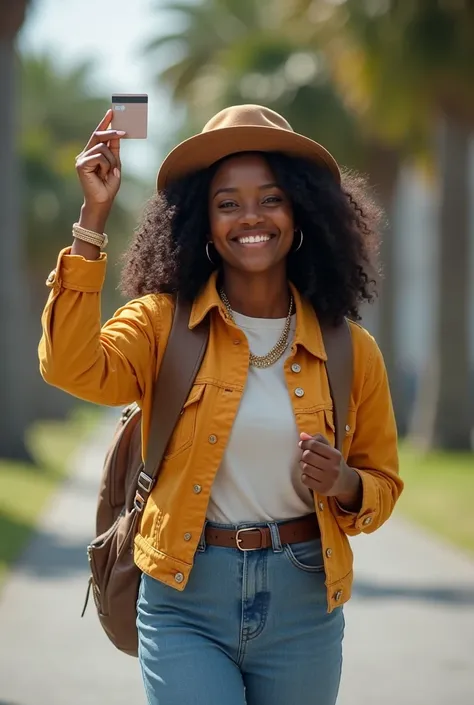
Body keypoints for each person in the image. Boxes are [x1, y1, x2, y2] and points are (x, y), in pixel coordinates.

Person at [39, 104, 403, 705]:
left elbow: (383, 481)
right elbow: (70, 366)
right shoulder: (162, 325)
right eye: (228, 203)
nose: (250, 217)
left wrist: (345, 483)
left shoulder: (350, 349)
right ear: (203, 223)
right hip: (184, 596)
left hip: (304, 602)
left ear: (301, 212)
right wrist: (92, 218)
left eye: (271, 199)